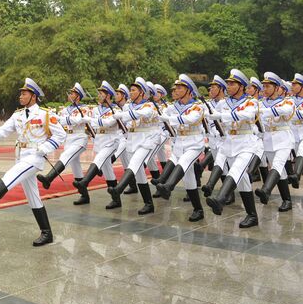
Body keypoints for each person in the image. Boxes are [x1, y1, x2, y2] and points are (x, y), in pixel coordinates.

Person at [0, 78, 66, 246]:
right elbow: (2, 131)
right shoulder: (17, 115)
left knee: (10, 175)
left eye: (24, 93)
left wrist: (46, 148)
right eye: (21, 93)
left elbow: (61, 135)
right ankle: (47, 233)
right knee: (33, 197)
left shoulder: (45, 114)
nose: (21, 96)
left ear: (33, 96)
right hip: (21, 155)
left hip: (35, 156)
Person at [204, 69, 262, 228]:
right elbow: (212, 118)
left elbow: (247, 115)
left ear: (241, 86)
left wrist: (222, 116)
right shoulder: (223, 103)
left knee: (235, 171)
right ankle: (252, 215)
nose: (228, 86)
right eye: (228, 83)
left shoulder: (251, 101)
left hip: (246, 143)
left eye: (232, 84)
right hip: (229, 142)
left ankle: (220, 199)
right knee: (243, 182)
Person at [152, 74, 206, 222]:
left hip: (194, 144)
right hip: (179, 143)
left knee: (183, 163)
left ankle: (168, 186)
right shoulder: (173, 107)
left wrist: (168, 119)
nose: (176, 90)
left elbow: (191, 119)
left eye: (180, 88)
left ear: (188, 90)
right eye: (176, 88)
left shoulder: (198, 106)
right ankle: (198, 209)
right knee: (189, 181)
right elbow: (159, 116)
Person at [107, 77, 161, 215]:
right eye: (130, 90)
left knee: (135, 163)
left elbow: (142, 114)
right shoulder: (127, 106)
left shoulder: (149, 105)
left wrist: (123, 116)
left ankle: (119, 188)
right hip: (132, 140)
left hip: (146, 140)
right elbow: (128, 123)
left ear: (141, 92)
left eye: (133, 90)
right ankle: (149, 204)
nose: (130, 92)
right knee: (139, 174)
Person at [72, 81, 123, 210]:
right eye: (99, 93)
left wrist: (92, 121)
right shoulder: (95, 109)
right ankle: (116, 199)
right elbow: (94, 125)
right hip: (100, 140)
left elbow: (108, 123)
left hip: (112, 140)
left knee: (98, 160)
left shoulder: (116, 110)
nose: (99, 95)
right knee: (107, 170)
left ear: (108, 96)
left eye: (101, 93)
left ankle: (84, 182)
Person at [38, 82, 91, 205]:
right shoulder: (66, 109)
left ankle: (49, 178)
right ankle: (84, 195)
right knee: (76, 167)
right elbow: (60, 120)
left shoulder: (85, 108)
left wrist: (68, 119)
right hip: (69, 138)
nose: (70, 94)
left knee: (65, 156)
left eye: (72, 93)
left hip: (79, 138)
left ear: (78, 96)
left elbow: (79, 120)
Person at [254, 71, 295, 212]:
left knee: (276, 165)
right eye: (263, 86)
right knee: (281, 172)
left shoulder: (287, 101)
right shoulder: (260, 103)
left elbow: (286, 110)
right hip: (268, 140)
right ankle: (287, 200)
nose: (264, 89)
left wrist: (264, 111)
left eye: (267, 87)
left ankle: (266, 189)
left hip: (283, 139)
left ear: (277, 88)